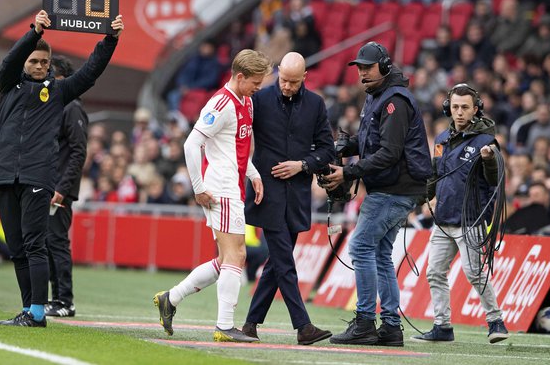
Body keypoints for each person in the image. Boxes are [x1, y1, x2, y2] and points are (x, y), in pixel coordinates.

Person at [0, 10, 123, 327]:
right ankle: (28, 310)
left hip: (37, 177)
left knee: (36, 245)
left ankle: (38, 313)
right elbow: (9, 61)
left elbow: (90, 73)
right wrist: (34, 33)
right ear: (25, 62)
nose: (39, 66)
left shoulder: (59, 93)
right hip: (6, 176)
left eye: (44, 62)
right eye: (34, 61)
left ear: (51, 66)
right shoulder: (9, 85)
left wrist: (110, 40)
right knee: (17, 248)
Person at [153, 49, 272, 343]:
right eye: (255, 82)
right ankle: (224, 326)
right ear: (240, 76)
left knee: (225, 259)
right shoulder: (221, 103)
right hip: (220, 187)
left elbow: (236, 149)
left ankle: (172, 298)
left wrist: (253, 174)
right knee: (237, 255)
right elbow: (192, 144)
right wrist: (198, 187)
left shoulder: (246, 101)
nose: (259, 88)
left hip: (232, 184)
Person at [322, 42, 432, 347]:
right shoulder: (378, 96)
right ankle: (391, 328)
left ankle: (365, 322)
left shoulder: (394, 100)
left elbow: (390, 153)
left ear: (384, 67)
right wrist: (350, 145)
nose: (362, 74)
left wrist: (348, 172)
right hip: (394, 187)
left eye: (367, 68)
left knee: (360, 247)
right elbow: (376, 141)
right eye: (358, 68)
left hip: (395, 188)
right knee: (381, 255)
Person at [241, 52, 335, 345]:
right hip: (265, 194)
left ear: (304, 78)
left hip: (296, 196)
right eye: (283, 80)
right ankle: (303, 326)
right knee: (283, 259)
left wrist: (302, 165)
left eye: (294, 82)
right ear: (278, 73)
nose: (287, 86)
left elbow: (327, 150)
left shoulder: (316, 104)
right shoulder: (259, 99)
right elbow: (239, 137)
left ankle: (250, 324)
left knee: (276, 264)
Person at [411, 83, 509, 344]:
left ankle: (495, 320)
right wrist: (415, 201)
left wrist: (489, 159)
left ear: (476, 110)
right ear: (448, 108)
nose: (459, 112)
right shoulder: (442, 139)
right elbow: (434, 175)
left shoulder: (486, 142)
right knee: (434, 272)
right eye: (455, 107)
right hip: (443, 218)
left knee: (474, 272)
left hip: (471, 218)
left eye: (465, 107)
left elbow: (494, 179)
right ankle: (442, 326)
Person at [44, 55, 88, 318]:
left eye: (50, 74)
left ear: (61, 78)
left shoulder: (72, 106)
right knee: (49, 243)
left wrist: (62, 187)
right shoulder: (57, 105)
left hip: (59, 190)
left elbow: (78, 151)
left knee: (57, 243)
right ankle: (56, 298)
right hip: (49, 186)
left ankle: (64, 300)